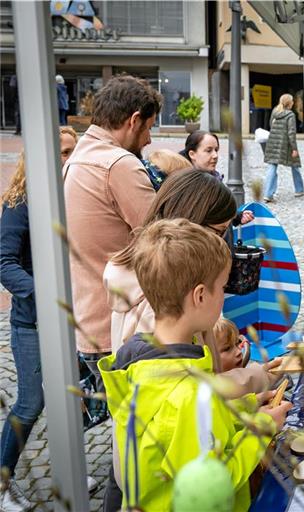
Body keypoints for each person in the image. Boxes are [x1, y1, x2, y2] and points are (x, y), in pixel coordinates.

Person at [99, 219, 291, 511]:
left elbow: (187, 435)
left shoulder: (143, 362)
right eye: (222, 288)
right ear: (200, 296)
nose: (223, 297)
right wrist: (262, 429)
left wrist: (248, 406)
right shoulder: (188, 394)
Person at [0, 128, 100, 511]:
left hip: (71, 321)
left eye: (72, 151)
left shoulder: (72, 198)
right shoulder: (20, 203)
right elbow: (5, 265)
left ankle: (68, 470)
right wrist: (48, 296)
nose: (67, 158)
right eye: (60, 152)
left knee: (69, 398)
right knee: (30, 403)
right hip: (33, 323)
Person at [63, 74, 161, 406]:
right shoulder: (119, 164)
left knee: (124, 430)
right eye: (148, 128)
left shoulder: (75, 159)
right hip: (123, 326)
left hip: (90, 320)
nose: (148, 139)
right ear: (134, 120)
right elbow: (163, 241)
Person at [263, 94, 304, 202]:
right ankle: (299, 190)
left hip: (272, 142)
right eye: (292, 101)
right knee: (295, 164)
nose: (293, 103)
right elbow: (291, 132)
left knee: (272, 166)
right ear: (289, 103)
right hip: (286, 144)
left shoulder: (275, 111)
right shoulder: (290, 115)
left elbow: (271, 125)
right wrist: (294, 148)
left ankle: (268, 194)